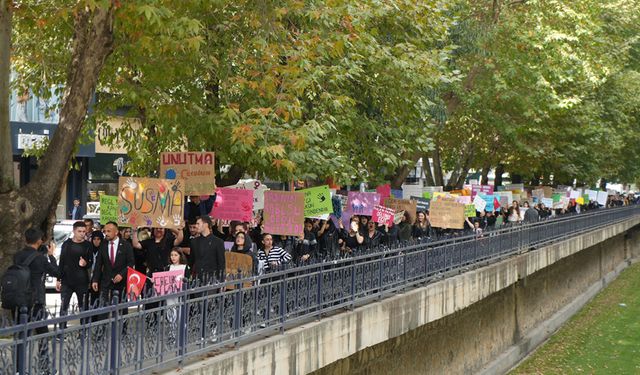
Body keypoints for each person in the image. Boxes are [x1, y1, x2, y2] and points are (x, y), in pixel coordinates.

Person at [11, 228, 60, 372]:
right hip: (36, 301)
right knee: (43, 335)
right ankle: (44, 367)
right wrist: (51, 256)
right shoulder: (40, 258)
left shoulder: (18, 256)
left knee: (21, 336)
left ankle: (19, 369)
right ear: (39, 241)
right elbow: (56, 272)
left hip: (20, 300)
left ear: (26, 239)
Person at [56, 221, 92, 326]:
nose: (82, 233)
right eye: (79, 231)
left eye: (84, 231)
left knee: (83, 306)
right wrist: (58, 279)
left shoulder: (87, 245)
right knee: (64, 306)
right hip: (67, 281)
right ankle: (62, 330)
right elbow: (61, 262)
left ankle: (83, 329)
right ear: (74, 231)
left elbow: (90, 262)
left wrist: (85, 263)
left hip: (82, 281)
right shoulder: (66, 244)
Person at [91, 222, 135, 304]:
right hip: (106, 282)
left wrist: (121, 275)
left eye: (109, 231)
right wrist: (95, 279)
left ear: (116, 232)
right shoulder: (103, 245)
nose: (106, 234)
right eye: (105, 231)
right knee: (103, 309)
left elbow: (130, 263)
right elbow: (98, 264)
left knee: (120, 311)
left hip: (121, 283)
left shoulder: (126, 245)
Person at [188, 216, 226, 285]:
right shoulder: (194, 242)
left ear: (206, 225)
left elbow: (221, 263)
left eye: (198, 224)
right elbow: (191, 261)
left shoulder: (218, 242)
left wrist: (222, 280)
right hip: (197, 279)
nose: (196, 226)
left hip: (212, 280)